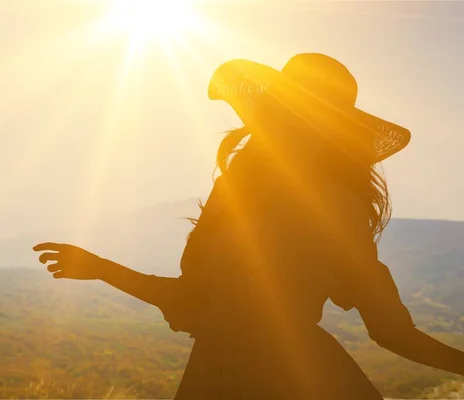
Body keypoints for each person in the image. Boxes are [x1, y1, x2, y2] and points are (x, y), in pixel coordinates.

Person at [33, 53, 464, 399]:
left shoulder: (337, 207)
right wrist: (102, 269)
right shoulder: (232, 191)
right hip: (215, 375)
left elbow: (391, 330)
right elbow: (197, 298)